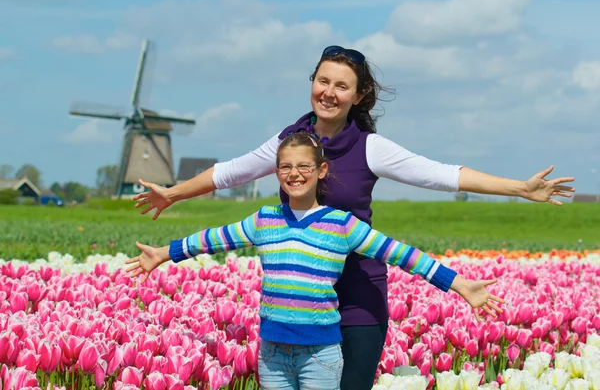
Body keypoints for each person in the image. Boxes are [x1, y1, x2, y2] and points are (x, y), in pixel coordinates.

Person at [132, 45, 575, 389]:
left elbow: (441, 175)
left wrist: (519, 188)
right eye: (322, 81)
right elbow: (232, 171)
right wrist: (172, 194)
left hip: (357, 294)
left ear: (358, 95)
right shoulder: (290, 142)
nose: (329, 92)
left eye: (341, 86)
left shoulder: (369, 147)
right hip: (300, 299)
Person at [125, 132, 504, 390]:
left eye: (304, 166)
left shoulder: (341, 225)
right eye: (286, 167)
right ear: (277, 172)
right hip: (272, 353)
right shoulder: (264, 220)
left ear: (321, 170)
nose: (295, 174)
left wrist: (459, 284)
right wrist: (163, 254)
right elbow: (210, 240)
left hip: (320, 355)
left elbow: (403, 255)